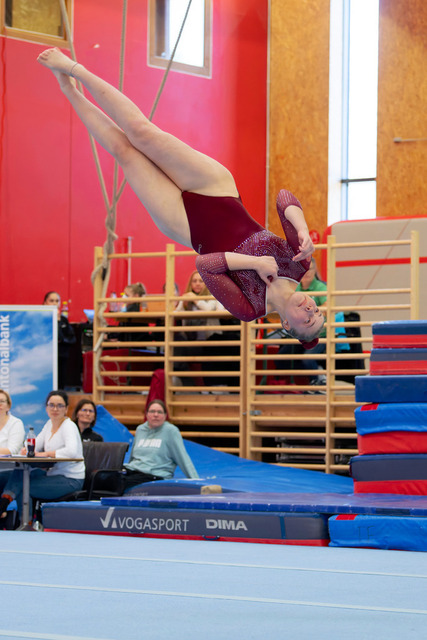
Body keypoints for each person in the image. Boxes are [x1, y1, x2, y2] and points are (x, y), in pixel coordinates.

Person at [37, 48, 324, 347]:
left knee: (124, 152)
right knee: (141, 132)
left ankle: (67, 88)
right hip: (218, 191)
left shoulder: (249, 309)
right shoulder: (299, 264)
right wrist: (301, 227)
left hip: (185, 225)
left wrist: (256, 263)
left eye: (308, 320)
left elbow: (205, 265)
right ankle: (74, 68)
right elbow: (283, 198)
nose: (310, 309)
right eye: (317, 311)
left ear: (287, 325)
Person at [0, 390, 85, 519]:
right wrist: (26, 449)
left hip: (70, 479)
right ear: (46, 408)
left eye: (60, 405)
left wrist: (45, 454)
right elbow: (35, 444)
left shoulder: (69, 426)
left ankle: (24, 522)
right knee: (20, 473)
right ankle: (4, 502)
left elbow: (71, 452)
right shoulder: (49, 424)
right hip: (53, 473)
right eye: (51, 405)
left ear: (66, 409)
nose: (55, 409)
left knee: (23, 487)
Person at [121, 399, 199, 492]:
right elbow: (132, 456)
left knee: (120, 482)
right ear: (147, 414)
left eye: (159, 412)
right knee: (110, 476)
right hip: (134, 470)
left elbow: (183, 458)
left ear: (165, 416)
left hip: (155, 474)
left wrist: (197, 482)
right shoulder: (140, 429)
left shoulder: (171, 431)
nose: (156, 415)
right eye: (152, 411)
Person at [43, 291, 76, 388]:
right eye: (51, 301)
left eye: (57, 301)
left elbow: (71, 339)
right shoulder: (41, 318)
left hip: (61, 356)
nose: (54, 303)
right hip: (45, 358)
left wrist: (58, 321)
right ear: (45, 303)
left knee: (60, 383)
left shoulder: (63, 320)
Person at [0, 389, 25, 457]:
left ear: (8, 406)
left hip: (9, 463)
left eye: (2, 401)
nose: (0, 404)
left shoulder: (16, 423)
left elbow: (12, 450)